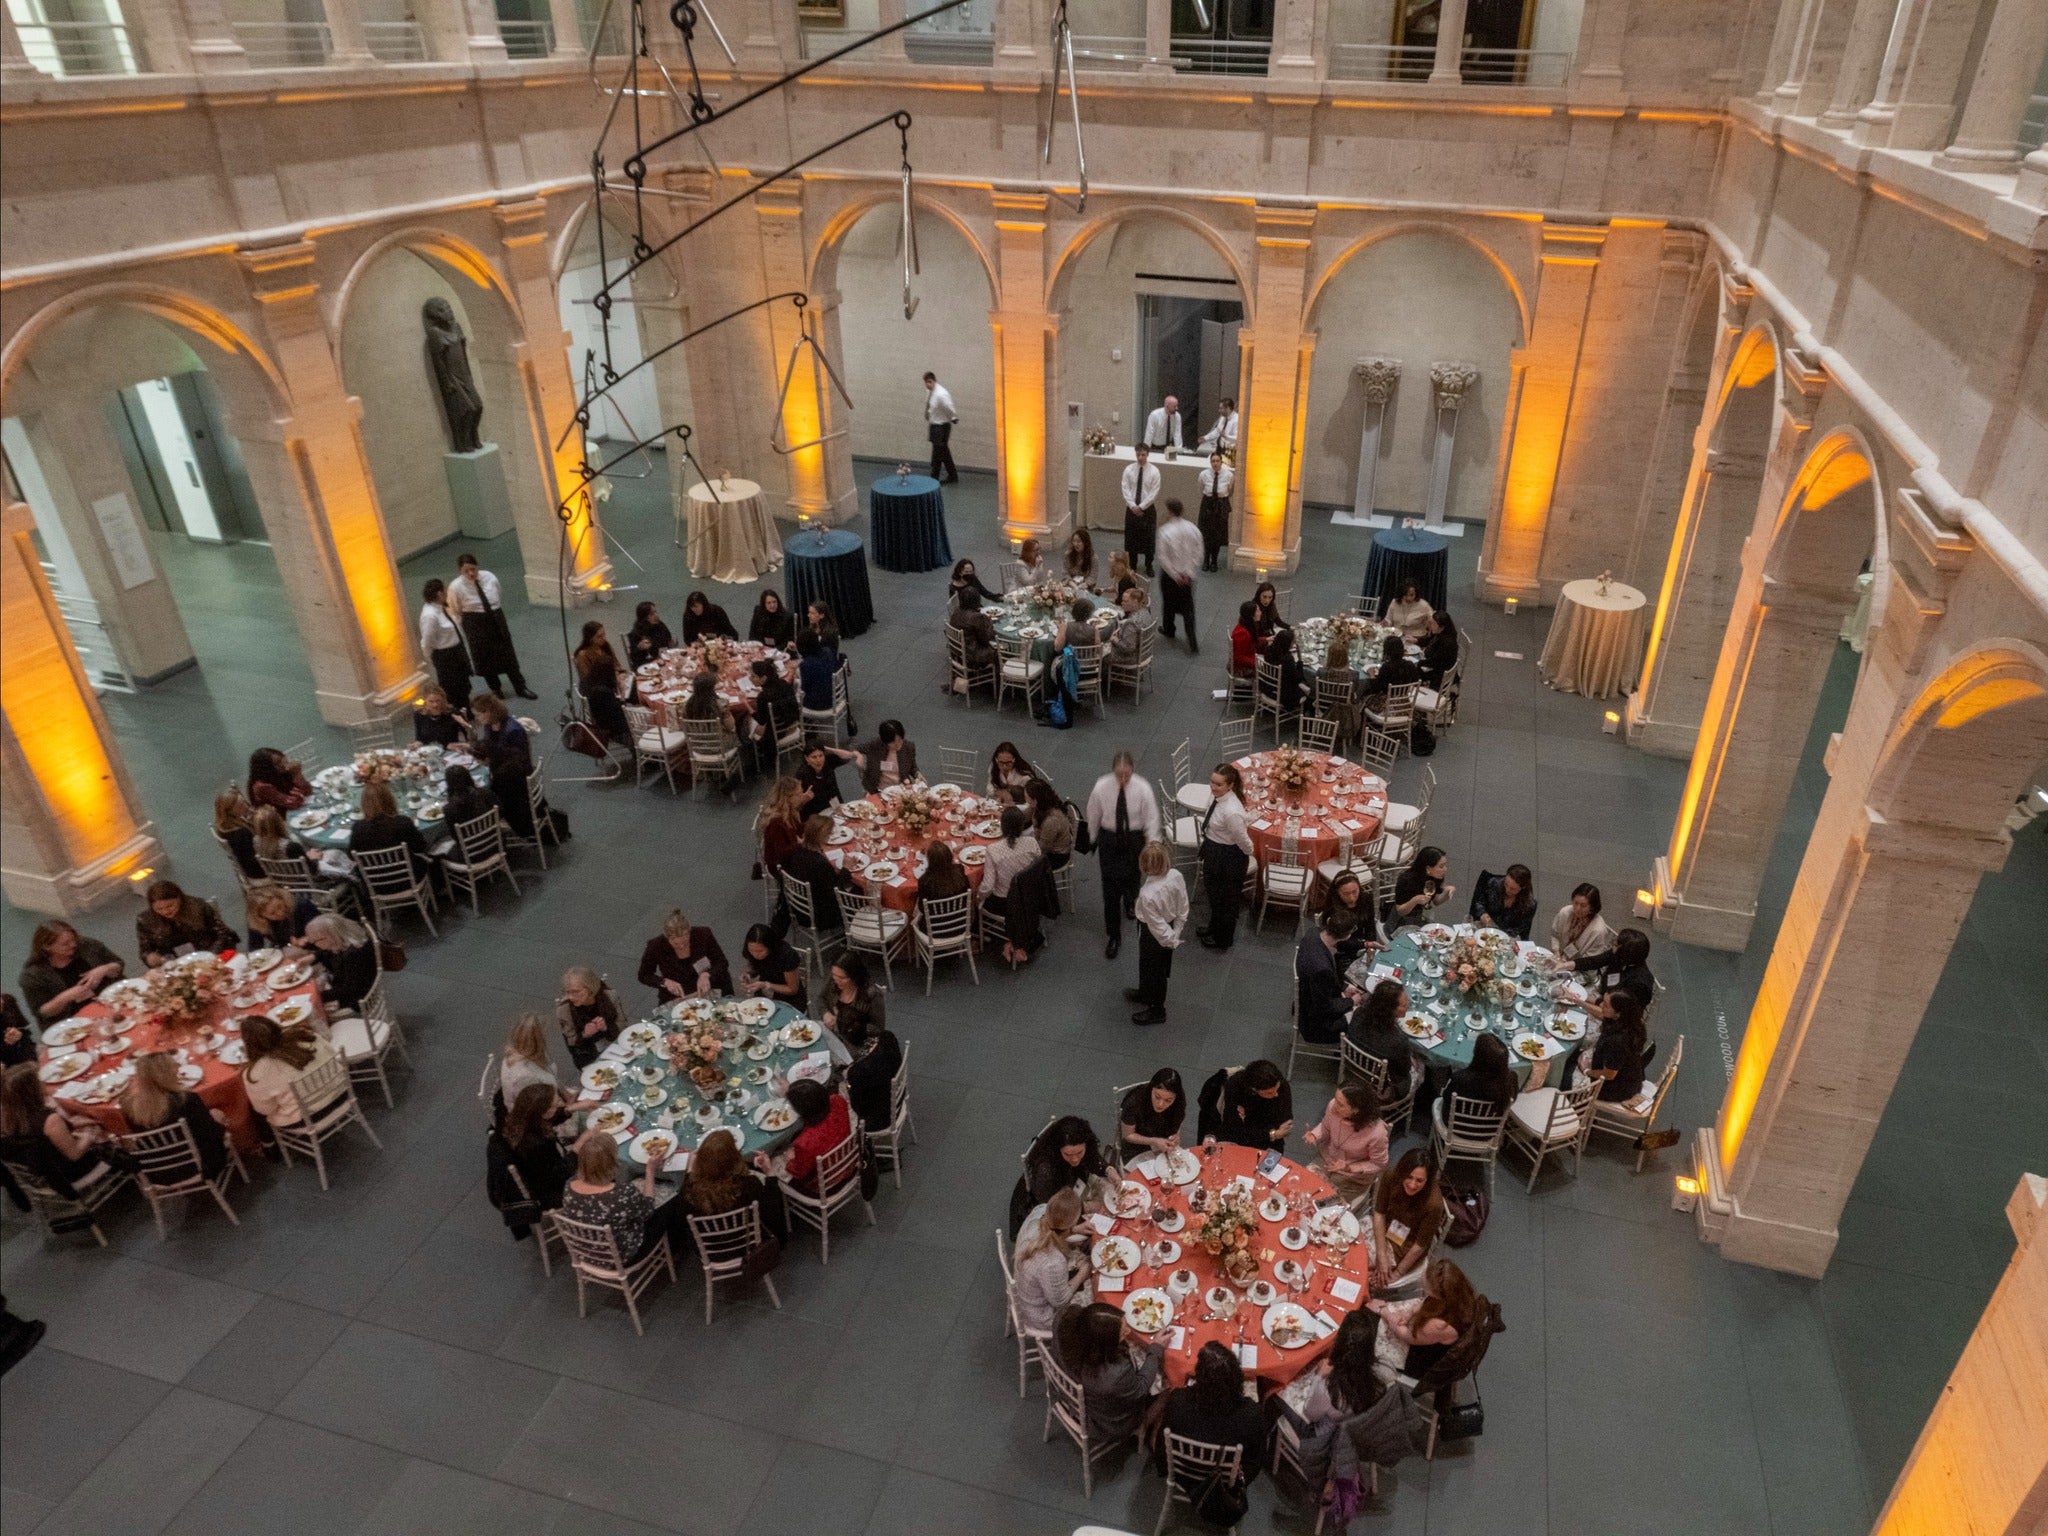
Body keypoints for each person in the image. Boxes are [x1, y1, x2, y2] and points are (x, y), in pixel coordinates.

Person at [559, 1129, 684, 1265]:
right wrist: (650, 1170)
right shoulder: (621, 1193)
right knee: (674, 1200)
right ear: (612, 1161)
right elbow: (648, 1210)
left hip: (585, 1252)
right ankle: (675, 1250)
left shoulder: (569, 1184)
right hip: (621, 1255)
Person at [1159, 1342, 1266, 1492]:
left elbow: (1162, 1444)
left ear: (1199, 1376)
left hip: (1183, 1475)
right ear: (1237, 1378)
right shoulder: (1251, 1413)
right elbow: (1256, 1458)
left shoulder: (1177, 1400)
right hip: (1223, 1484)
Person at [1056, 1301, 1165, 1444]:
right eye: (1122, 1333)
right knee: (1168, 1387)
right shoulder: (1116, 1375)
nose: (1129, 1331)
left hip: (1071, 1391)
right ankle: (1146, 1430)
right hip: (1108, 1423)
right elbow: (1141, 1388)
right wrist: (1155, 1348)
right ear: (1104, 1344)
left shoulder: (1062, 1322)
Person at [0, 1062, 111, 1198]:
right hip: (70, 1173)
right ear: (32, 1089)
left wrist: (73, 1124)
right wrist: (90, 1133)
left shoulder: (10, 1117)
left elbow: (47, 1134)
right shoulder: (50, 1120)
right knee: (110, 1136)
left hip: (43, 1172)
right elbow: (75, 1154)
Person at [118, 1052, 229, 1180]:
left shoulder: (129, 1107)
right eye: (174, 1066)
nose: (178, 1068)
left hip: (159, 1171)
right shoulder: (187, 1100)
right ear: (168, 1074)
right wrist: (219, 1122)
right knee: (216, 1114)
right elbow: (211, 1135)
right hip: (199, 1166)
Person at [488, 1082, 573, 1241]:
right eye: (556, 1105)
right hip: (546, 1191)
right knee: (597, 1163)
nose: (560, 1104)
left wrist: (569, 1110)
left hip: (537, 1174)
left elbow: (548, 1119)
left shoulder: (517, 1119)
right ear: (543, 1112)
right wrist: (576, 1150)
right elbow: (555, 1175)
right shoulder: (534, 1145)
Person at [1118, 839, 1188, 1026]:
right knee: (1149, 966)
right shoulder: (1176, 875)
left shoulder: (1148, 894)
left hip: (1154, 934)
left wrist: (1169, 940)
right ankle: (1145, 992)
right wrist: (1177, 931)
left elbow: (1156, 926)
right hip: (1169, 926)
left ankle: (1157, 1009)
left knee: (1155, 971)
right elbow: (1183, 907)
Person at [1369, 1257, 1475, 1379]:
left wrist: (1383, 1311)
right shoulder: (1460, 1294)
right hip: (1426, 1334)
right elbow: (1425, 1301)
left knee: (1370, 1329)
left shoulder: (1439, 1325)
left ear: (1438, 1295)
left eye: (1426, 1289)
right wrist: (1407, 1314)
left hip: (1418, 1357)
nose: (1424, 1290)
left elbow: (1407, 1337)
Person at [449, 552, 534, 699]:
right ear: (460, 571)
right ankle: (496, 689)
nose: (471, 574)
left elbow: (497, 594)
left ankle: (520, 687)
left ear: (477, 567)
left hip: (495, 618)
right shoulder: (456, 587)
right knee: (485, 658)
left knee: (508, 655)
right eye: (466, 571)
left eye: (473, 569)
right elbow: (455, 609)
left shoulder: (489, 577)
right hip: (475, 623)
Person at [684, 1127, 790, 1245]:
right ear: (734, 1158)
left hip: (714, 1253)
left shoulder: (691, 1191)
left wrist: (689, 1169)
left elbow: (683, 1224)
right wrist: (769, 1171)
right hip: (751, 1246)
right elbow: (773, 1210)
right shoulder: (749, 1184)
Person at [1010, 1115, 1111, 1238]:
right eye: (1068, 1154)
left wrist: (1109, 1170)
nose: (1075, 1159)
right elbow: (1053, 1208)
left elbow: (1092, 1158)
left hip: (1071, 1186)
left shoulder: (1081, 1150)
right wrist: (1085, 1207)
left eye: (1080, 1152)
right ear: (1058, 1149)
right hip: (1049, 1209)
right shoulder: (1045, 1169)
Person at [240, 1015, 345, 1131]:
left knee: (254, 1112)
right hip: (342, 1094)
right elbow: (333, 1054)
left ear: (248, 1045)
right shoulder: (307, 1037)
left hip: (311, 1118)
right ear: (276, 1027)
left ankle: (269, 1146)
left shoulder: (255, 1074)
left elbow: (265, 1110)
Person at [1011, 1188, 1090, 1335]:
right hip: (1040, 1315)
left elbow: (1054, 1228)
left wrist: (1074, 1230)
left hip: (1026, 1291)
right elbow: (1060, 1301)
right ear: (1072, 1222)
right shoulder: (1053, 1262)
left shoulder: (1040, 1211)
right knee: (1096, 1298)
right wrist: (1082, 1273)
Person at [1196, 763, 1254, 951]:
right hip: (1215, 850)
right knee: (1214, 896)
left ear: (1230, 785)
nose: (1213, 787)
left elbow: (1245, 843)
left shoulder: (1232, 811)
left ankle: (1223, 940)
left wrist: (1241, 856)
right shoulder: (1218, 798)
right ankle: (1213, 928)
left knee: (1226, 902)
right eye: (1212, 782)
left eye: (1219, 784)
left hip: (1227, 858)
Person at [18, 921, 123, 1024]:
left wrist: (104, 969)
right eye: (65, 944)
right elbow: (42, 1012)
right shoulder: (33, 975)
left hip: (112, 1002)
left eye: (73, 939)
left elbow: (119, 964)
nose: (73, 944)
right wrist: (66, 997)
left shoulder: (87, 946)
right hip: (75, 1020)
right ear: (47, 946)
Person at [1369, 1149, 1444, 1291]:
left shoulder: (1433, 1204)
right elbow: (1379, 1213)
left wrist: (1398, 1273)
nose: (1412, 1185)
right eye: (1409, 1177)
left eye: (1420, 1180)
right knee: (1350, 1251)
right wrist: (1381, 1254)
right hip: (1385, 1229)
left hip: (1406, 1248)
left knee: (1368, 1274)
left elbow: (1419, 1246)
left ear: (1428, 1181)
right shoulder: (1391, 1176)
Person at [470, 693, 541, 841]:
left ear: (488, 711)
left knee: (483, 794)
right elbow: (491, 747)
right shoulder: (491, 726)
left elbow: (517, 760)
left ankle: (497, 825)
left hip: (516, 778)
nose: (477, 719)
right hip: (502, 771)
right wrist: (472, 748)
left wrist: (492, 764)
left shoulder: (513, 730)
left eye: (478, 715)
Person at [1304, 1081, 1389, 1200]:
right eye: (1335, 1098)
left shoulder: (1376, 1132)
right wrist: (1314, 1135)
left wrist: (1349, 1167)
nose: (1334, 1105)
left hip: (1352, 1176)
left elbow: (1379, 1164)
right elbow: (1326, 1127)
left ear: (1356, 1110)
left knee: (1323, 1201)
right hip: (1326, 1158)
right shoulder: (1333, 1106)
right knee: (1303, 1188)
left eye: (1341, 1104)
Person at [983, 805, 1044, 967]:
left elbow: (987, 887)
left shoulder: (993, 850)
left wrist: (978, 898)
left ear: (1002, 826)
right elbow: (1039, 868)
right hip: (1031, 898)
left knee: (977, 899)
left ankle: (977, 935)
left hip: (1005, 904)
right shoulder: (1032, 842)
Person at [346, 781, 436, 887]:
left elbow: (351, 856)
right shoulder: (402, 822)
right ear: (389, 799)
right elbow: (420, 847)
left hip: (376, 884)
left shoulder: (358, 828)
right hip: (409, 879)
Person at [771, 1079, 854, 1193]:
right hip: (847, 1159)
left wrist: (790, 1159)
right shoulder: (837, 1100)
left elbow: (798, 1172)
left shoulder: (804, 1143)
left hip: (826, 1183)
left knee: (774, 1158)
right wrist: (792, 1090)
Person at [1346, 979, 1421, 1104]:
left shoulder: (1359, 1013)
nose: (1408, 1005)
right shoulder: (1397, 1040)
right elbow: (1403, 1071)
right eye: (1403, 1005)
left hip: (1354, 1067)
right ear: (1389, 1009)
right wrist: (1410, 1058)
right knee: (1420, 1064)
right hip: (1380, 1085)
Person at [638, 910, 733, 1003]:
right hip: (679, 995)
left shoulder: (703, 935)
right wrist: (665, 982)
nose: (681, 946)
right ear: (667, 938)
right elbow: (644, 975)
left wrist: (706, 975)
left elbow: (722, 962)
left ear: (689, 931)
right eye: (676, 943)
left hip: (710, 987)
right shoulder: (655, 946)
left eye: (685, 941)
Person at [135, 880, 236, 966]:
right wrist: (150, 957)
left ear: (179, 899)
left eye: (170, 906)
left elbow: (222, 933)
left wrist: (210, 955)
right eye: (159, 909)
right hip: (175, 964)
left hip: (209, 954)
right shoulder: (145, 920)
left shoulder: (199, 906)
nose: (165, 911)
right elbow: (145, 950)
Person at [839, 996, 902, 1134]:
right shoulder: (887, 1037)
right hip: (895, 1096)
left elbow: (858, 1107)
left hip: (877, 1118)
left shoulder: (857, 1072)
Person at [781, 816, 851, 935]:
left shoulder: (797, 850)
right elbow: (835, 891)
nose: (830, 836)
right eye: (829, 833)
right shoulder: (818, 863)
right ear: (821, 836)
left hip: (798, 907)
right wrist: (846, 868)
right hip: (820, 914)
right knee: (859, 891)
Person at [1295, 911, 1356, 1045]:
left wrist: (1343, 988)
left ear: (1329, 921)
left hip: (1306, 1000)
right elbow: (1324, 1007)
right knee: (1361, 1020)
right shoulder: (1322, 969)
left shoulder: (1313, 932)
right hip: (1316, 1023)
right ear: (1347, 936)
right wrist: (1351, 1001)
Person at [496, 1013, 572, 1119]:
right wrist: (569, 1109)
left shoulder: (530, 1051)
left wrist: (565, 1093)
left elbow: (550, 1072)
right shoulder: (524, 1076)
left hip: (552, 1099)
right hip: (538, 1117)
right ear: (538, 1041)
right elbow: (539, 1113)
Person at [1153, 498, 1203, 655]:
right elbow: (1198, 553)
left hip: (1170, 576)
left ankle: (1169, 629)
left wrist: (1175, 575)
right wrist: (1187, 572)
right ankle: (1192, 640)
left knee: (1168, 603)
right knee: (1188, 608)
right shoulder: (1193, 528)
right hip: (1188, 577)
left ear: (1169, 511)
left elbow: (1163, 557)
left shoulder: (1164, 531)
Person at [304, 913, 378, 1014]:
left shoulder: (353, 955)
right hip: (346, 986)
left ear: (330, 937)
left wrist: (317, 996)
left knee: (311, 1011)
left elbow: (348, 990)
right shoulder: (343, 938)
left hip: (358, 998)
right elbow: (326, 951)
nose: (315, 945)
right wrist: (314, 957)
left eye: (316, 941)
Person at [1585, 992, 1650, 1103]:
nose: (1601, 1006)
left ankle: (1578, 1110)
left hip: (1616, 1088)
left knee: (1569, 1076)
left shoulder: (1618, 1041)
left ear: (1618, 1013)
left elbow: (1609, 1075)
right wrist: (1577, 1001)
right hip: (1630, 1075)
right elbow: (1601, 1015)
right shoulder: (1631, 1023)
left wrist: (1587, 1071)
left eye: (1606, 1005)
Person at [573, 620, 631, 747]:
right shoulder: (583, 655)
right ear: (590, 638)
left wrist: (618, 674)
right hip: (598, 690)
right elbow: (588, 678)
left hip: (611, 681)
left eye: (604, 635)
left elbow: (616, 664)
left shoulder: (605, 646)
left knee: (634, 685)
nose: (603, 639)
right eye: (599, 636)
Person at [1575, 927, 1656, 1017]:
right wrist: (1567, 964)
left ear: (1625, 953)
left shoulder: (1639, 984)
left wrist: (1580, 1001)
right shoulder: (1620, 956)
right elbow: (1596, 961)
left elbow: (1616, 1015)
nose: (1613, 945)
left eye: (1616, 945)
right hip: (1604, 1002)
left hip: (1617, 1020)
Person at [1214, 1059, 1292, 1150]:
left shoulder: (1282, 1086)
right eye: (1269, 1093)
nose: (1276, 1094)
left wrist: (1246, 1120)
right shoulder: (1235, 1084)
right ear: (1254, 1089)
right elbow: (1233, 1126)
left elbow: (1285, 1122)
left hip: (1269, 1141)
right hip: (1237, 1137)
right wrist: (1273, 1134)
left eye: (1277, 1089)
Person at [557, 966, 624, 1067]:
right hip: (589, 1055)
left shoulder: (610, 996)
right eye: (568, 992)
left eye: (576, 992)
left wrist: (606, 1027)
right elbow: (571, 1042)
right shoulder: (564, 1010)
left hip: (615, 1046)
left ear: (590, 988)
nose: (571, 997)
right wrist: (585, 1034)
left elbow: (623, 1024)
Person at [419, 577, 472, 704]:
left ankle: (466, 707)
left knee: (463, 683)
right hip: (446, 656)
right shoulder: (430, 615)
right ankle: (459, 711)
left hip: (456, 651)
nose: (447, 592)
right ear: (439, 594)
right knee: (453, 687)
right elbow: (427, 640)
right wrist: (430, 656)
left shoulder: (441, 607)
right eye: (445, 590)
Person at [1443, 1031, 1519, 1120]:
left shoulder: (1460, 1078)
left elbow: (1446, 1098)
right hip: (1490, 1129)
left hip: (1456, 1125)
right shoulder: (1512, 1079)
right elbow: (1512, 1101)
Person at [1117, 1068, 1186, 1157]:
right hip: (1136, 1144)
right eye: (1157, 1097)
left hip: (1163, 1141)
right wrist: (1154, 1141)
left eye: (1168, 1100)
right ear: (1151, 1090)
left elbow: (1176, 1123)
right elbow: (1128, 1135)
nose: (1160, 1104)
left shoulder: (1178, 1102)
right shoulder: (1134, 1102)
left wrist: (1175, 1136)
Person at [737, 924, 807, 1013]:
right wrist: (748, 974)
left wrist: (766, 985)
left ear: (770, 947)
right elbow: (754, 966)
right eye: (751, 951)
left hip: (789, 998)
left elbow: (792, 989)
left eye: (760, 951)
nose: (755, 955)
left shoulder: (786, 955)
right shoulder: (753, 953)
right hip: (765, 993)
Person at [819, 954, 886, 1044]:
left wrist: (855, 1027)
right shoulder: (834, 980)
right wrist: (825, 1013)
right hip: (834, 1036)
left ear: (854, 976)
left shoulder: (872, 994)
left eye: (842, 978)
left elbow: (879, 1029)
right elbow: (821, 998)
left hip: (859, 1043)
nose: (836, 980)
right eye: (834, 975)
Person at [1323, 870, 1385, 965]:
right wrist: (1366, 944)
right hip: (1341, 949)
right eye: (1346, 894)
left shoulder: (1366, 899)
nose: (1352, 898)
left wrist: (1371, 949)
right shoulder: (1333, 909)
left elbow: (1370, 926)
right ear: (1337, 892)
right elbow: (1337, 941)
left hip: (1363, 943)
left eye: (1355, 891)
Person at [1387, 846, 1455, 931]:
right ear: (1428, 868)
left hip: (1417, 918)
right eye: (1441, 866)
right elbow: (1400, 911)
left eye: (1445, 865)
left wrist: (1447, 893)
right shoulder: (1406, 880)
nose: (1445, 869)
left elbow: (1436, 902)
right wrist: (1415, 900)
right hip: (1399, 922)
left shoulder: (1436, 877)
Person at [1549, 881, 1615, 964]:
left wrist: (1565, 965)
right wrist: (1556, 953)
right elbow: (1555, 935)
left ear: (1592, 907)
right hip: (1559, 958)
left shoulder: (1598, 930)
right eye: (1575, 903)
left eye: (1583, 905)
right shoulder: (1565, 912)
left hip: (1581, 968)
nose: (1577, 908)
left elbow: (1590, 962)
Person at [948, 588, 999, 692]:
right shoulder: (976, 618)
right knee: (1002, 651)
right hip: (973, 655)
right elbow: (985, 639)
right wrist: (988, 622)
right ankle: (1000, 686)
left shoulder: (956, 612)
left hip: (958, 652)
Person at [1120, 444, 1160, 576]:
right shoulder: (1129, 470)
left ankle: (1149, 565)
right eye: (1138, 454)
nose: (1140, 457)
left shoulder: (1154, 471)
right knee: (1132, 538)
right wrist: (1132, 506)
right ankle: (1133, 565)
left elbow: (1154, 493)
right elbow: (1125, 489)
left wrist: (1141, 506)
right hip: (1131, 508)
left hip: (1147, 509)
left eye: (1143, 455)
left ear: (1147, 454)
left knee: (1148, 539)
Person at [1469, 863, 1538, 940]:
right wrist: (1482, 914)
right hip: (1484, 928)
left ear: (1523, 887)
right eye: (1506, 884)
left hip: (1506, 937)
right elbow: (1479, 902)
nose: (1507, 890)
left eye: (1513, 889)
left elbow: (1520, 929)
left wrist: (1497, 933)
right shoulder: (1494, 883)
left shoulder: (1529, 904)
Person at [1360, 632, 1423, 713]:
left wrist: (1371, 675)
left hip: (1386, 705)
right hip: (1404, 702)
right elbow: (1416, 681)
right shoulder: (1410, 665)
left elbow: (1376, 688)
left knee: (1363, 693)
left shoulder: (1387, 667)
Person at [244, 881, 316, 951]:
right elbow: (254, 948)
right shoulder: (256, 922)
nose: (280, 913)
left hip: (314, 948)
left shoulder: (302, 906)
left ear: (282, 899)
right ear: (261, 916)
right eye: (272, 913)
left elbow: (321, 931)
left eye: (279, 906)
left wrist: (306, 938)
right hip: (285, 951)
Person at [796, 741, 859, 820]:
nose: (818, 760)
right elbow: (795, 804)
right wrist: (803, 799)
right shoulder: (802, 774)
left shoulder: (828, 762)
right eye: (814, 757)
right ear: (806, 758)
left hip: (833, 807)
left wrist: (830, 749)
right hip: (814, 815)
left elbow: (849, 756)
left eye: (821, 755)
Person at [1195, 451, 1234, 572]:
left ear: (1221, 462)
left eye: (1217, 461)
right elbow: (1201, 488)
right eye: (1213, 461)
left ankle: (1214, 561)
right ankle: (1206, 560)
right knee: (1207, 535)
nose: (1215, 463)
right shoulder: (1204, 474)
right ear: (1210, 462)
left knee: (1217, 536)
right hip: (1207, 505)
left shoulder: (1229, 475)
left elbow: (1230, 491)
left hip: (1221, 506)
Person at [1025, 779, 1075, 869]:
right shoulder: (1046, 805)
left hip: (1057, 856)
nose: (1026, 800)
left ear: (1035, 800)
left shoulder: (1051, 820)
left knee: (1019, 861)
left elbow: (1043, 848)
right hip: (1046, 843)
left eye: (1027, 798)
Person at [857, 720, 917, 793]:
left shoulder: (908, 747)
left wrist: (917, 775)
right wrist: (858, 755)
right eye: (893, 742)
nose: (898, 744)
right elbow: (854, 748)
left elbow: (912, 767)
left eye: (900, 740)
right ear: (884, 741)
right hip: (878, 789)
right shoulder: (874, 745)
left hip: (901, 788)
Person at [214, 790, 262, 880]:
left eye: (243, 802)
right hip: (258, 873)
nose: (246, 807)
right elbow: (255, 861)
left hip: (245, 866)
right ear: (229, 811)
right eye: (240, 806)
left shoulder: (223, 827)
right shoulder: (241, 833)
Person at [1106, 584, 1157, 669]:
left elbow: (1128, 649)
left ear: (1135, 601)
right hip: (1145, 652)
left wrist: (1114, 639)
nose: (1122, 603)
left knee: (1101, 653)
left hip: (1133, 657)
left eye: (1126, 601)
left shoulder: (1131, 623)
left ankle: (1106, 679)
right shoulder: (1145, 612)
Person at [247, 747, 312, 812]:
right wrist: (297, 774)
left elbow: (308, 791)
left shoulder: (280, 774)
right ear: (267, 769)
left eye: (282, 759)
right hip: (279, 818)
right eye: (277, 763)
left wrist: (299, 776)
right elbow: (294, 804)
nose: (283, 764)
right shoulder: (262, 786)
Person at [923, 370, 959, 483]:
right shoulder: (930, 391)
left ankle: (935, 478)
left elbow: (948, 406)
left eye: (929, 382)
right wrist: (928, 413)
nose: (927, 384)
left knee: (939, 453)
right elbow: (929, 405)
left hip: (941, 427)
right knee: (942, 452)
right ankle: (951, 476)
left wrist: (953, 417)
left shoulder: (941, 393)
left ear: (934, 381)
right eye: (926, 382)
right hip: (935, 425)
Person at [443, 764, 497, 832]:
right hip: (495, 833)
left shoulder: (448, 809)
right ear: (469, 777)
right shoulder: (485, 792)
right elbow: (500, 810)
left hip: (470, 842)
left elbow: (454, 834)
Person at [796, 630, 839, 715]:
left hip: (817, 705)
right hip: (833, 696)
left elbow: (804, 689)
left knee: (792, 691)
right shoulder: (828, 651)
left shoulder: (806, 664)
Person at [1265, 623, 1305, 712]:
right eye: (1292, 642)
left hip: (1268, 687)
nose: (1293, 644)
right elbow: (1298, 679)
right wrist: (1300, 660)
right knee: (1307, 691)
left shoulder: (1269, 650)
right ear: (1288, 644)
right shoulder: (1287, 659)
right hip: (1283, 694)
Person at [917, 840, 970, 906]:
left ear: (930, 860)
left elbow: (922, 907)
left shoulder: (924, 880)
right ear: (949, 856)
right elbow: (967, 890)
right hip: (961, 910)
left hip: (935, 915)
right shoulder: (959, 869)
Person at [625, 600, 674, 668]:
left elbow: (668, 640)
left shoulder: (660, 625)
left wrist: (671, 645)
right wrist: (639, 648)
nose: (656, 615)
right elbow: (634, 659)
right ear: (644, 618)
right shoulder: (636, 633)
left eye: (655, 612)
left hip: (663, 661)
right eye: (651, 614)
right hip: (646, 666)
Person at [1418, 608, 1459, 687]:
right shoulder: (1442, 633)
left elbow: (1434, 662)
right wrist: (1416, 641)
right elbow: (1429, 640)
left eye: (1433, 624)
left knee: (1413, 671)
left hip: (1440, 675)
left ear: (1442, 626)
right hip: (1438, 666)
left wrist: (1418, 663)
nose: (1430, 626)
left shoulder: (1446, 643)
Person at [1228, 601, 1260, 684]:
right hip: (1240, 668)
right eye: (1258, 611)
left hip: (1248, 659)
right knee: (1270, 671)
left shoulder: (1246, 625)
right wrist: (1257, 663)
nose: (1260, 612)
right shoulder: (1242, 633)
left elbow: (1251, 642)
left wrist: (1266, 639)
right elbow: (1238, 657)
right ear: (1251, 615)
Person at [1, 996, 35, 1071]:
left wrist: (20, 1034)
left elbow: (26, 1032)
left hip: (27, 1058)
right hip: (8, 1072)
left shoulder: (8, 1001)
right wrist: (7, 1044)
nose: (2, 1001)